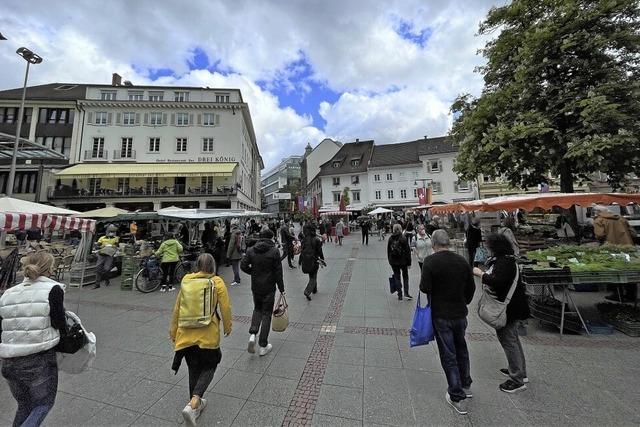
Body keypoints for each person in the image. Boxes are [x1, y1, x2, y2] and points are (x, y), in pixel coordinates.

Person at [0, 252, 67, 427]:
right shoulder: (53, 289)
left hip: (8, 361)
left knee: (24, 405)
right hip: (38, 360)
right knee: (43, 404)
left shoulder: (8, 292)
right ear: (50, 269)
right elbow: (59, 322)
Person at [170, 253, 232, 426]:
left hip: (186, 335)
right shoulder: (216, 282)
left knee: (193, 368)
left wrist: (173, 331)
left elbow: (177, 309)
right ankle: (195, 401)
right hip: (208, 335)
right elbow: (225, 307)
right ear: (213, 266)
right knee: (211, 364)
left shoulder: (187, 281)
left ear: (197, 265)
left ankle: (193, 407)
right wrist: (228, 326)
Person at [420, 230, 475, 415]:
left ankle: (456, 394)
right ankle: (466, 384)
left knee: (448, 354)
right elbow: (471, 288)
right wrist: (463, 301)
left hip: (441, 314)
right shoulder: (462, 261)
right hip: (460, 313)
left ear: (434, 244)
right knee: (462, 349)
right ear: (448, 242)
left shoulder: (430, 262)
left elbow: (424, 287)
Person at [473, 233, 530, 394]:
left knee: (509, 341)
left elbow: (496, 281)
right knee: (513, 340)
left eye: (489, 246)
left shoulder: (504, 262)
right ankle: (519, 370)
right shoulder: (506, 260)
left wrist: (480, 274)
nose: (487, 248)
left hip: (507, 308)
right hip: (512, 306)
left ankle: (517, 379)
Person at [240, 229, 284, 356]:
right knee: (266, 314)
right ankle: (263, 346)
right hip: (269, 287)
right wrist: (281, 288)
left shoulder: (251, 250)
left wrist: (253, 273)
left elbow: (243, 266)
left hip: (256, 287)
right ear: (271, 238)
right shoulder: (274, 251)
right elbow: (278, 272)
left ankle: (253, 334)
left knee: (257, 309)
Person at [593, 205, 637, 302]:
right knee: (629, 269)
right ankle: (631, 294)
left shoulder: (599, 220)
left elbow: (600, 235)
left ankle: (617, 294)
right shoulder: (621, 219)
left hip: (611, 248)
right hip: (627, 247)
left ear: (597, 212)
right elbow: (633, 233)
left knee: (614, 269)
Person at [387, 223, 413, 301]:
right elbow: (408, 251)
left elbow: (388, 250)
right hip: (403, 261)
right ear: (401, 229)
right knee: (405, 277)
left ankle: (400, 295)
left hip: (393, 261)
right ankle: (406, 293)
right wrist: (409, 263)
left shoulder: (391, 238)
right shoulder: (403, 238)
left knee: (397, 277)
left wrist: (389, 260)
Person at [299, 223, 325, 300]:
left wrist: (300, 260)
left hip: (306, 260)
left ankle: (314, 290)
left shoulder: (304, 239)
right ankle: (307, 291)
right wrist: (322, 258)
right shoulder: (316, 239)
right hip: (314, 260)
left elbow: (302, 250)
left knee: (311, 274)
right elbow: (319, 250)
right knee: (313, 276)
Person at [94, 224, 119, 289]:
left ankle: (106, 279)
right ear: (107, 232)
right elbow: (96, 246)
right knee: (98, 268)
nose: (111, 233)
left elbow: (116, 245)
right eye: (109, 232)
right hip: (101, 255)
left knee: (107, 269)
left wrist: (114, 246)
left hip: (109, 256)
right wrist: (101, 246)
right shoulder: (101, 238)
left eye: (112, 232)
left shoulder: (116, 238)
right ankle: (97, 284)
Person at [226, 219, 243, 286]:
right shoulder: (239, 233)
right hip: (238, 252)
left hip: (234, 253)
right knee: (237, 267)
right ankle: (237, 279)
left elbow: (231, 245)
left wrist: (228, 254)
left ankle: (236, 280)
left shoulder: (233, 234)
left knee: (235, 267)